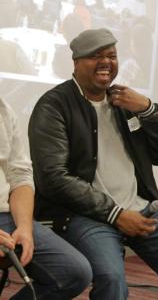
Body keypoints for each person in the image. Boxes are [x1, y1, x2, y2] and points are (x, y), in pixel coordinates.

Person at [28, 28, 158, 300]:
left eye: (112, 55)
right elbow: (53, 177)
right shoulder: (54, 106)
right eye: (95, 56)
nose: (106, 62)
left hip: (140, 208)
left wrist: (149, 110)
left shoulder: (126, 102)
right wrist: (115, 214)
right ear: (77, 63)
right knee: (112, 278)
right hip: (86, 215)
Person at [0, 98, 92, 299]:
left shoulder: (3, 109)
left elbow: (20, 175)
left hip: (4, 215)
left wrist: (24, 227)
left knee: (74, 273)